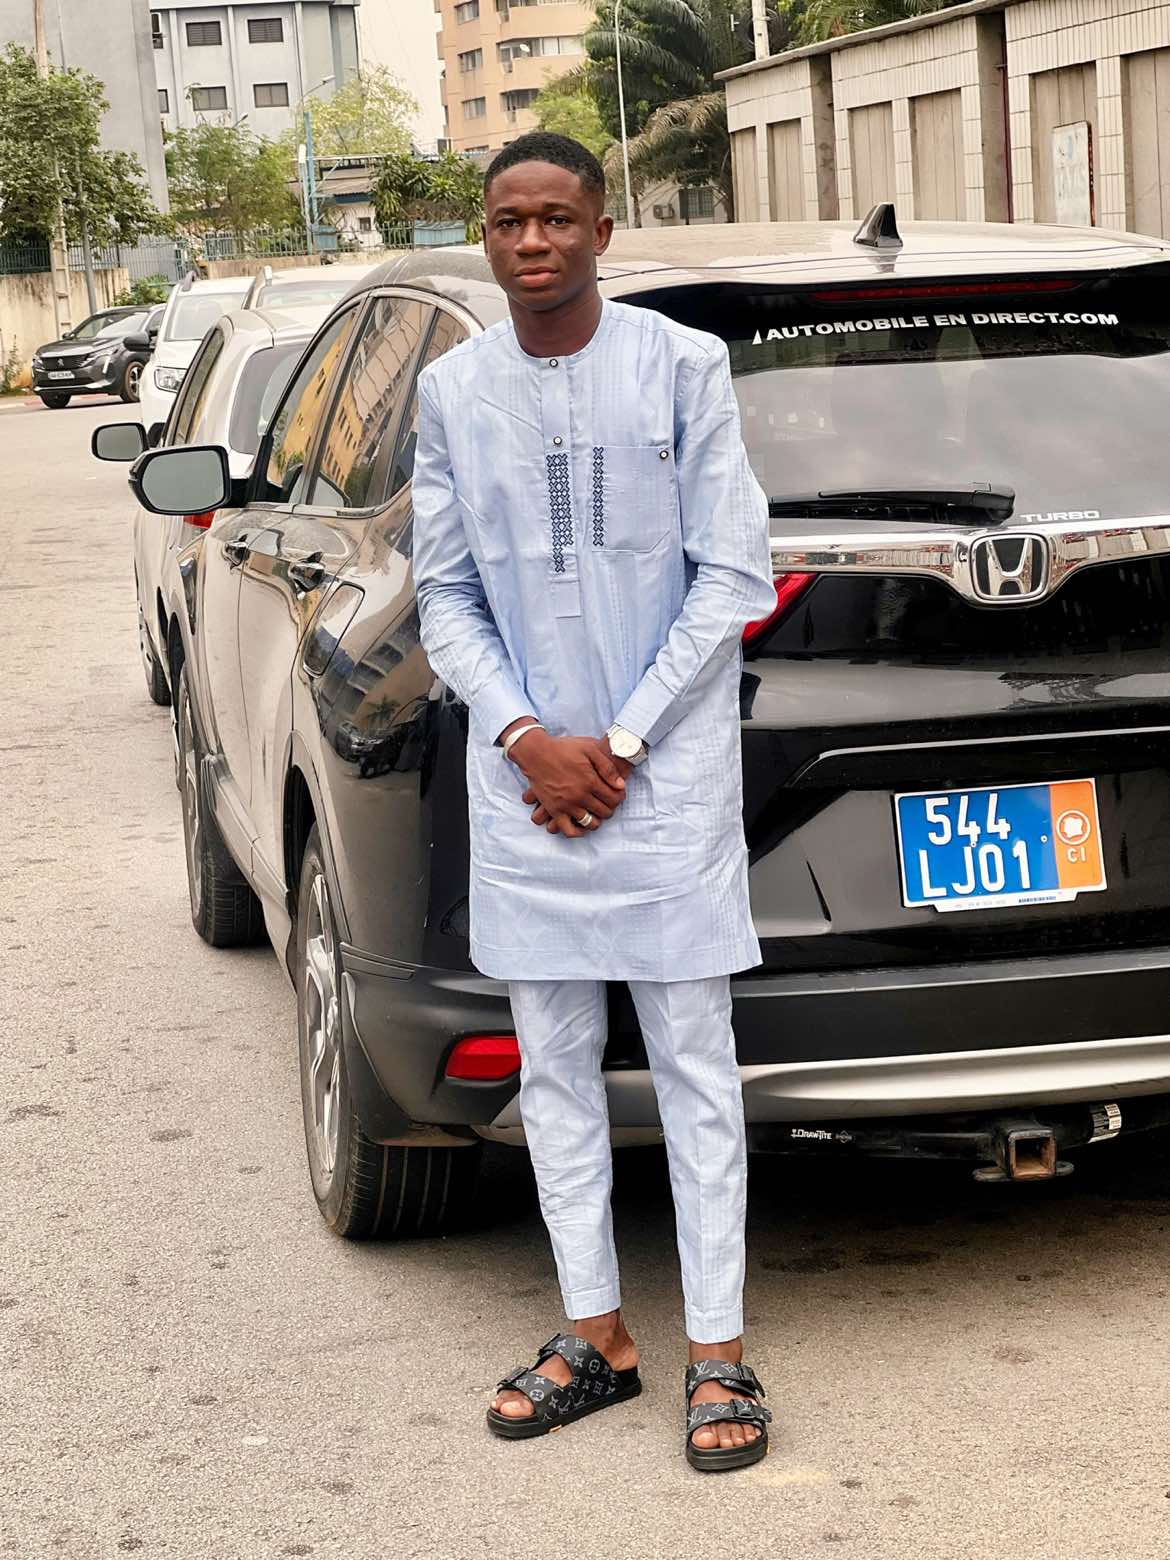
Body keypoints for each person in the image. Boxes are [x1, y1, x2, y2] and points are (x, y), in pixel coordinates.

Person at [412, 132, 777, 1472]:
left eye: (557, 217)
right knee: (554, 1069)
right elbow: (444, 589)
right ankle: (595, 1336)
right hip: (527, 789)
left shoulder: (681, 366)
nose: (532, 241)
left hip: (660, 780)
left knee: (693, 1071)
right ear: (486, 236)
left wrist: (613, 744)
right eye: (509, 219)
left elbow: (730, 577)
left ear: (600, 232)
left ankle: (719, 1351)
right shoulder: (453, 391)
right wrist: (527, 738)